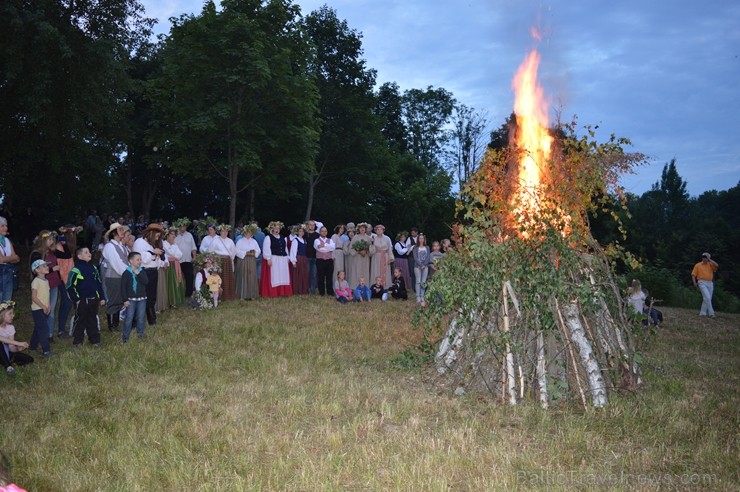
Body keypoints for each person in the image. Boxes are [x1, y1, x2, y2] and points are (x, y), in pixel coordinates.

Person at [65, 247, 105, 347]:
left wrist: (102, 297)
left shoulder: (94, 268)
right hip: (82, 300)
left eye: (89, 252)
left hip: (93, 299)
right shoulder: (76, 270)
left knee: (93, 320)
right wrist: (77, 299)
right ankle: (78, 341)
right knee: (80, 321)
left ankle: (95, 340)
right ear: (79, 256)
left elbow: (98, 284)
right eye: (86, 252)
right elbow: (69, 286)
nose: (89, 254)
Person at [29, 231, 63, 342]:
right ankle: (40, 334)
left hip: (53, 284)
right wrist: (53, 269)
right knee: (42, 309)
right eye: (49, 239)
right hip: (42, 286)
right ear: (43, 240)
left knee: (51, 309)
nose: (52, 241)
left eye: (52, 239)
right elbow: (35, 271)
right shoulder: (37, 254)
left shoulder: (52, 252)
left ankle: (49, 334)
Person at [133, 223, 165, 325]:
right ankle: (136, 320)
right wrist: (153, 253)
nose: (157, 237)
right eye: (156, 235)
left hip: (153, 271)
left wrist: (159, 259)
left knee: (151, 296)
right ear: (151, 233)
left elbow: (155, 260)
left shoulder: (152, 244)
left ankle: (151, 318)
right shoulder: (139, 242)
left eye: (159, 236)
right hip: (144, 271)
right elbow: (140, 259)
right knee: (142, 296)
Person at [102, 223, 130, 331]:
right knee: (113, 301)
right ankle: (112, 326)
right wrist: (130, 273)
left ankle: (116, 324)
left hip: (121, 276)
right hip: (113, 278)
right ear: (114, 233)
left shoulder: (122, 246)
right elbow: (117, 264)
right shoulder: (109, 246)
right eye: (120, 230)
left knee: (119, 300)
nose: (122, 231)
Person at [0, 301, 34, 376]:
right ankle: (8, 366)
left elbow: (11, 347)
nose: (13, 316)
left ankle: (7, 362)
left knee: (29, 359)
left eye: (13, 313)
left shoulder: (11, 328)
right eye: (10, 313)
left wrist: (18, 349)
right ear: (2, 315)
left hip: (5, 353)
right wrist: (19, 343)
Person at [259, 221, 292, 298]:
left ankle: (283, 292)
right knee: (275, 275)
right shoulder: (268, 238)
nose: (277, 230)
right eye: (275, 228)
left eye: (278, 228)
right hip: (274, 258)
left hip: (282, 259)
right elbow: (266, 248)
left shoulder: (282, 237)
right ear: (272, 229)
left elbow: (285, 248)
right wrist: (268, 258)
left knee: (283, 275)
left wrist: (287, 257)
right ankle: (274, 292)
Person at [121, 252, 148, 342]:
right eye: (137, 259)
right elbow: (123, 287)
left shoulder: (141, 271)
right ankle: (125, 337)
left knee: (140, 317)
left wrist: (138, 274)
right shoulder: (126, 273)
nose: (139, 261)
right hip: (131, 299)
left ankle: (140, 334)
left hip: (142, 298)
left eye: (140, 259)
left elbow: (146, 281)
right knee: (129, 318)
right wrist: (125, 299)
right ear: (131, 261)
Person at [206, 224, 236, 301]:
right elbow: (210, 251)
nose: (224, 233)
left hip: (227, 262)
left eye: (226, 231)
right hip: (218, 261)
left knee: (227, 279)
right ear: (220, 232)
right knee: (218, 278)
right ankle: (218, 296)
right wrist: (213, 261)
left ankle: (227, 295)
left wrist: (229, 260)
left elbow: (233, 252)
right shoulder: (215, 240)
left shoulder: (230, 241)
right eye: (223, 231)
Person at [29, 259, 53, 356]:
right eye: (44, 266)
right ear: (37, 270)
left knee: (38, 328)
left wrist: (48, 306)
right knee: (44, 330)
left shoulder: (46, 281)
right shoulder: (36, 281)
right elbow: (34, 297)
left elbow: (47, 295)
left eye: (47, 265)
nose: (47, 267)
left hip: (45, 309)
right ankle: (46, 350)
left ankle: (32, 347)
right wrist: (43, 306)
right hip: (38, 309)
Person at [234, 224, 261, 300]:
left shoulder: (254, 241)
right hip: (243, 261)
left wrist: (254, 253)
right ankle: (242, 295)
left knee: (251, 277)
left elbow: (258, 250)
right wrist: (245, 253)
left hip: (252, 261)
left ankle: (252, 294)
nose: (248, 233)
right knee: (243, 276)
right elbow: (236, 251)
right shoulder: (240, 241)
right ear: (244, 233)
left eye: (250, 232)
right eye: (247, 232)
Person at [173, 218, 197, 297]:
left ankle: (188, 294)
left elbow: (193, 247)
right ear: (179, 226)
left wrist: (194, 256)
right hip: (178, 260)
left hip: (187, 260)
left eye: (185, 226)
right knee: (177, 277)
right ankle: (178, 294)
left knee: (190, 276)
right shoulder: (175, 235)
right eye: (182, 226)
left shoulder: (189, 235)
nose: (184, 228)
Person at [691, 252, 719, 318]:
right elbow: (693, 274)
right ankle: (711, 313)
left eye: (706, 257)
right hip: (701, 282)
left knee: (707, 298)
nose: (704, 258)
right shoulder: (698, 265)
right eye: (703, 257)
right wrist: (694, 282)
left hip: (710, 283)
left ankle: (702, 313)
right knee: (707, 297)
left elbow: (717, 265)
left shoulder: (711, 264)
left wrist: (709, 259)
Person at [162, 228, 185, 306]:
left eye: (174, 235)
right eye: (172, 234)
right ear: (167, 236)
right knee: (170, 282)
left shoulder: (175, 244)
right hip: (169, 266)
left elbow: (180, 255)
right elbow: (171, 253)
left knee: (177, 281)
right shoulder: (164, 244)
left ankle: (176, 300)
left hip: (175, 265)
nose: (174, 236)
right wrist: (175, 255)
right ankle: (170, 301)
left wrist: (175, 256)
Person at [0, 217, 20, 302]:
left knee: (7, 302)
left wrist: (7, 259)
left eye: (6, 225)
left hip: (9, 273)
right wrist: (12, 258)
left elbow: (17, 259)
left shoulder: (7, 240)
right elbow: (1, 259)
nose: (6, 228)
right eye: (2, 226)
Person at [349, 222, 372, 288]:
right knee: (357, 272)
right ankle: (355, 288)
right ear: (358, 229)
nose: (362, 229)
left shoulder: (368, 238)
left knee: (365, 273)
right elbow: (351, 248)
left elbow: (371, 248)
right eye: (361, 228)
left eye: (364, 228)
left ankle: (365, 288)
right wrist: (359, 252)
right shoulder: (355, 237)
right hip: (357, 258)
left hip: (365, 258)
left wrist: (366, 251)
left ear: (366, 229)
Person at [314, 226, 336, 296]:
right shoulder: (316, 240)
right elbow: (319, 249)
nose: (324, 232)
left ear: (327, 232)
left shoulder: (330, 240)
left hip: (329, 261)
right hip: (320, 260)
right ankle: (322, 292)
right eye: (322, 231)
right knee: (321, 277)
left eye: (325, 231)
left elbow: (332, 248)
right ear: (320, 232)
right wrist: (328, 247)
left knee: (329, 277)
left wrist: (324, 245)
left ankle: (330, 292)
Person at [288, 225, 309, 295]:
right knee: (298, 275)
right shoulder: (295, 240)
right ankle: (298, 290)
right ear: (297, 232)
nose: (301, 232)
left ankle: (304, 290)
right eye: (300, 231)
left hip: (304, 259)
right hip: (298, 259)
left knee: (304, 274)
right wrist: (293, 261)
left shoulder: (305, 241)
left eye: (303, 231)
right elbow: (293, 251)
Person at [412, 233, 431, 304]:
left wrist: (424, 264)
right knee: (418, 281)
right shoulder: (415, 248)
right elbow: (415, 257)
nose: (421, 240)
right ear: (418, 239)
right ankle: (418, 296)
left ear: (424, 239)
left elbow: (428, 257)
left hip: (425, 266)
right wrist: (420, 264)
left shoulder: (427, 247)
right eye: (420, 238)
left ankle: (422, 295)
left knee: (423, 281)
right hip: (417, 266)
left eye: (422, 238)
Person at [304, 220, 319, 294]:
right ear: (307, 226)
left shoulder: (317, 235)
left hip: (314, 257)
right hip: (306, 257)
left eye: (313, 225)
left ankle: (312, 290)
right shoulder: (304, 234)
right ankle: (306, 289)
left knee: (313, 275)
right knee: (306, 274)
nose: (312, 226)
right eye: (310, 225)